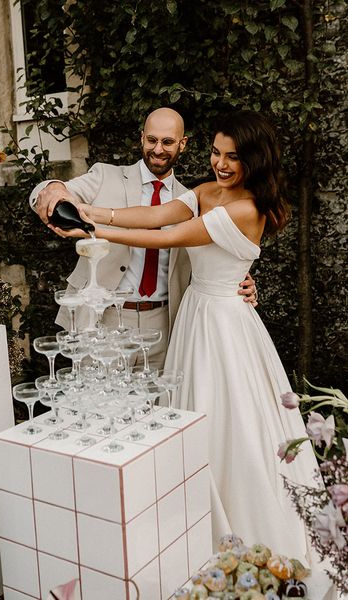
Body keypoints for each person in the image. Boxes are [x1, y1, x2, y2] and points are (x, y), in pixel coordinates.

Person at [52, 110, 319, 561]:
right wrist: (92, 210)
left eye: (233, 157)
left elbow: (168, 236)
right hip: (194, 315)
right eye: (216, 153)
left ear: (254, 160)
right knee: (185, 413)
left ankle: (237, 528)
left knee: (229, 422)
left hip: (224, 324)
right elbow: (157, 213)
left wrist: (92, 229)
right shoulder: (208, 191)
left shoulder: (246, 207)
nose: (221, 164)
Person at [30, 108, 257, 369]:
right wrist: (53, 190)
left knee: (158, 405)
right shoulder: (105, 176)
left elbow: (216, 249)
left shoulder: (194, 200)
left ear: (182, 144)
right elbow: (55, 191)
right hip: (104, 318)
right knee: (101, 405)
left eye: (168, 142)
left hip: (165, 323)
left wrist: (238, 281)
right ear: (141, 138)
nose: (158, 149)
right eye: (152, 140)